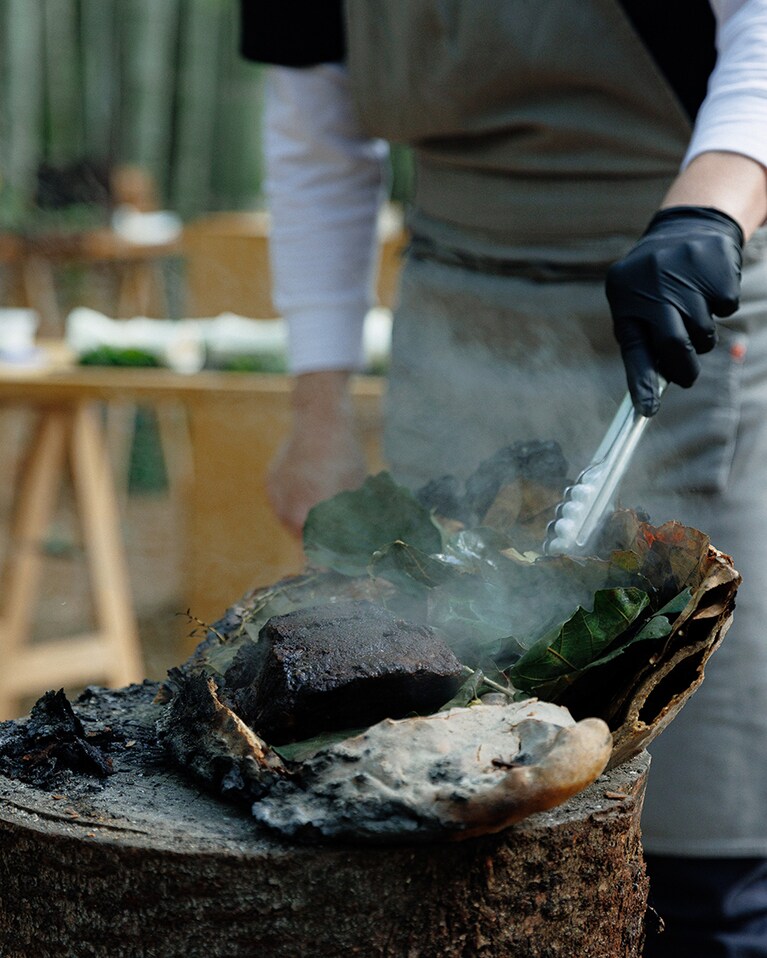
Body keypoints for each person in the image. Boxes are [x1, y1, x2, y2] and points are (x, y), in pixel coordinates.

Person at [240, 2, 767, 954]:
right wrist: (315, 415)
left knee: (699, 817)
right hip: (453, 318)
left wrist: (709, 207)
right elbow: (316, 143)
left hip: (685, 298)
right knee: (449, 787)